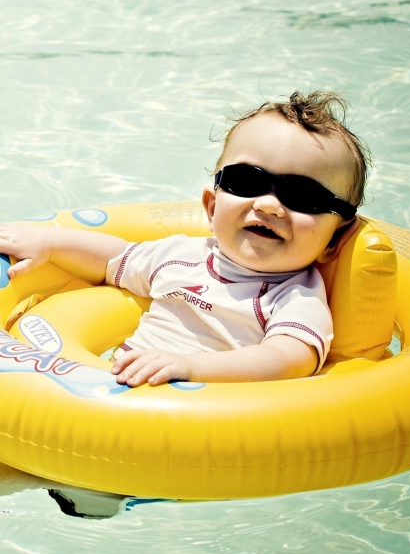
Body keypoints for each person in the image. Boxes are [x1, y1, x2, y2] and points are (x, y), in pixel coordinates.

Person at [0, 90, 370, 387]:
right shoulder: (182, 256)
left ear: (335, 241)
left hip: (191, 440)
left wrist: (192, 367)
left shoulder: (294, 295)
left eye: (303, 197)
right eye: (247, 182)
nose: (269, 205)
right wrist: (49, 243)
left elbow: (288, 359)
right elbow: (114, 260)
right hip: (109, 405)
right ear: (211, 207)